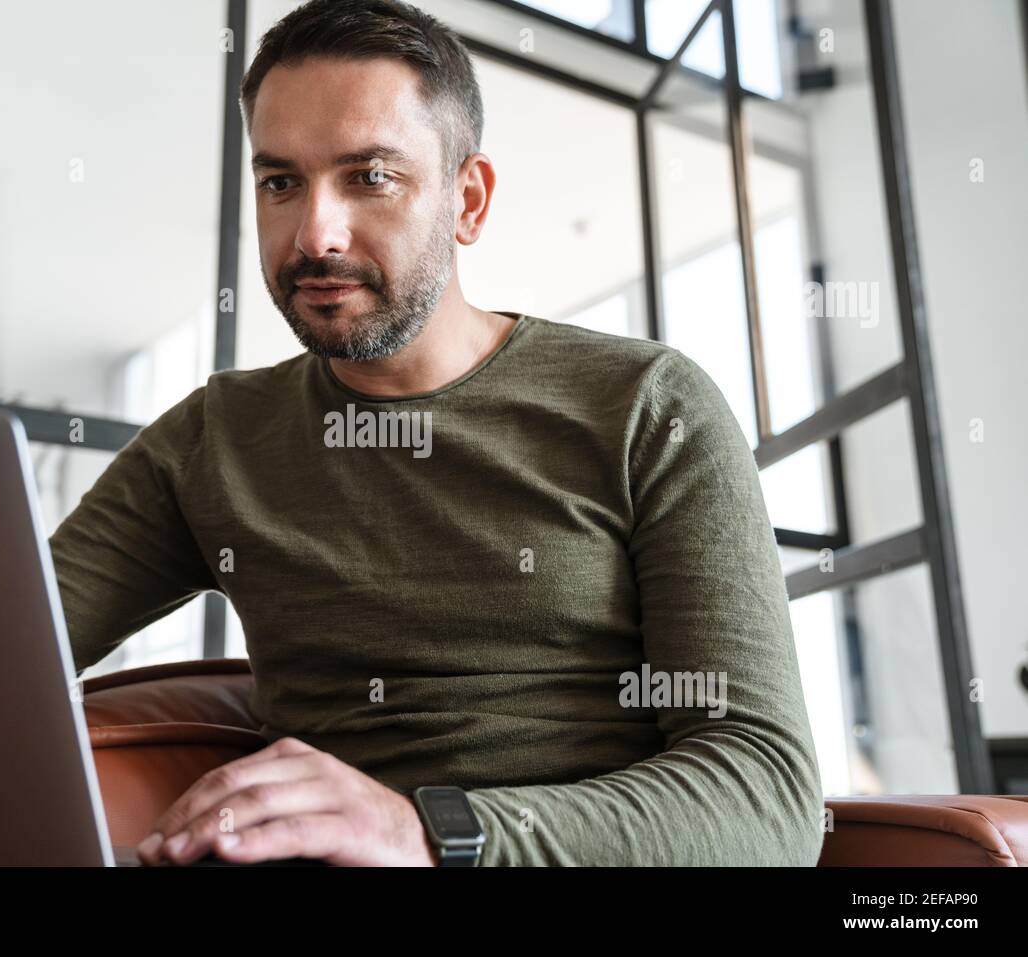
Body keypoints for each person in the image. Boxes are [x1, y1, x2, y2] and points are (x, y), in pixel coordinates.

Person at [48, 0, 824, 867]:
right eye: (280, 182)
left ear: (469, 198)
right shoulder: (213, 441)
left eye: (369, 177)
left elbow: (765, 796)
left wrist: (428, 831)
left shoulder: (646, 405)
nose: (315, 235)